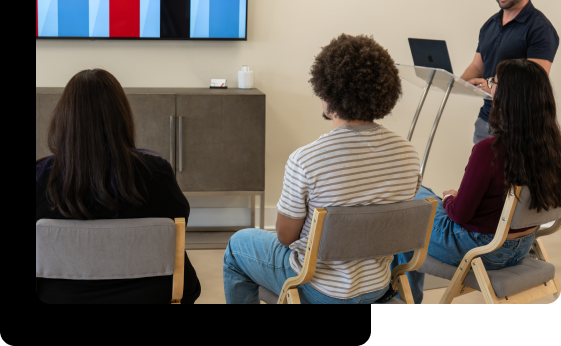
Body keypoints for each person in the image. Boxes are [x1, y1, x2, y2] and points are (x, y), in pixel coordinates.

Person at [223, 34, 422, 304]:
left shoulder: (306, 160)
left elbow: (285, 237)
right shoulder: (409, 154)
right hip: (377, 285)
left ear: (326, 91)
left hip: (319, 287)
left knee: (238, 245)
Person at [394, 59, 561, 304]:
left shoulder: (490, 150)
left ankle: (402, 298)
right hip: (522, 247)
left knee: (407, 200)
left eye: (494, 83)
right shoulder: (553, 148)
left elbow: (459, 215)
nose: (490, 86)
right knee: (421, 193)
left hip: (480, 250)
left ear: (507, 96)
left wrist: (449, 198)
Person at [36, 69, 201, 304]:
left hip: (59, 297)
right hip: (150, 295)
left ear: (63, 120)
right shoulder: (157, 173)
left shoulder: (40, 178)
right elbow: (180, 218)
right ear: (121, 118)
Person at [460, 0, 558, 144]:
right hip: (486, 120)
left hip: (519, 126)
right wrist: (456, 83)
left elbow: (534, 82)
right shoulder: (489, 25)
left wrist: (493, 87)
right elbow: (477, 66)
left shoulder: (540, 29)